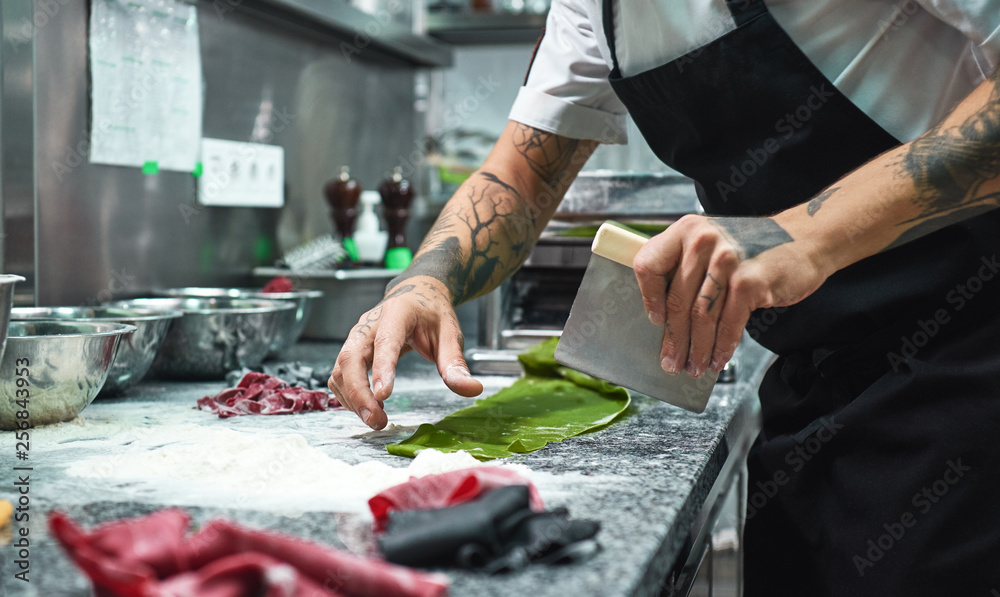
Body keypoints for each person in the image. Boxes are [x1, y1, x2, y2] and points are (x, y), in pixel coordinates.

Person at [329, 1, 1000, 594]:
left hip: (972, 363)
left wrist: (805, 235)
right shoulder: (592, 12)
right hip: (816, 384)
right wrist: (425, 278)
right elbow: (520, 174)